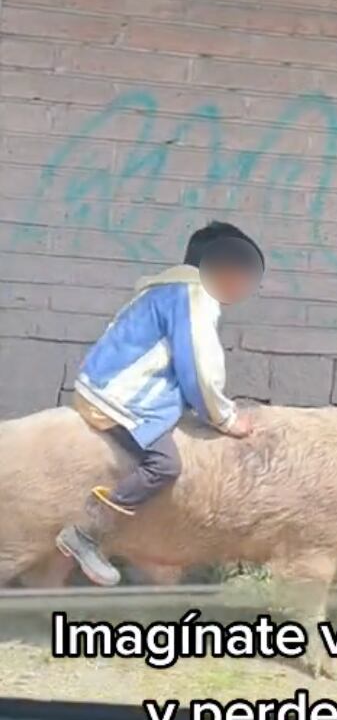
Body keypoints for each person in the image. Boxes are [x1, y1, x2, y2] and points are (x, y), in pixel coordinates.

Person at [56, 221, 265, 588]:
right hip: (120, 398)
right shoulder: (195, 297)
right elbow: (199, 368)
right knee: (165, 465)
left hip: (100, 385)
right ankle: (87, 534)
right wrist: (226, 419)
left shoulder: (162, 289)